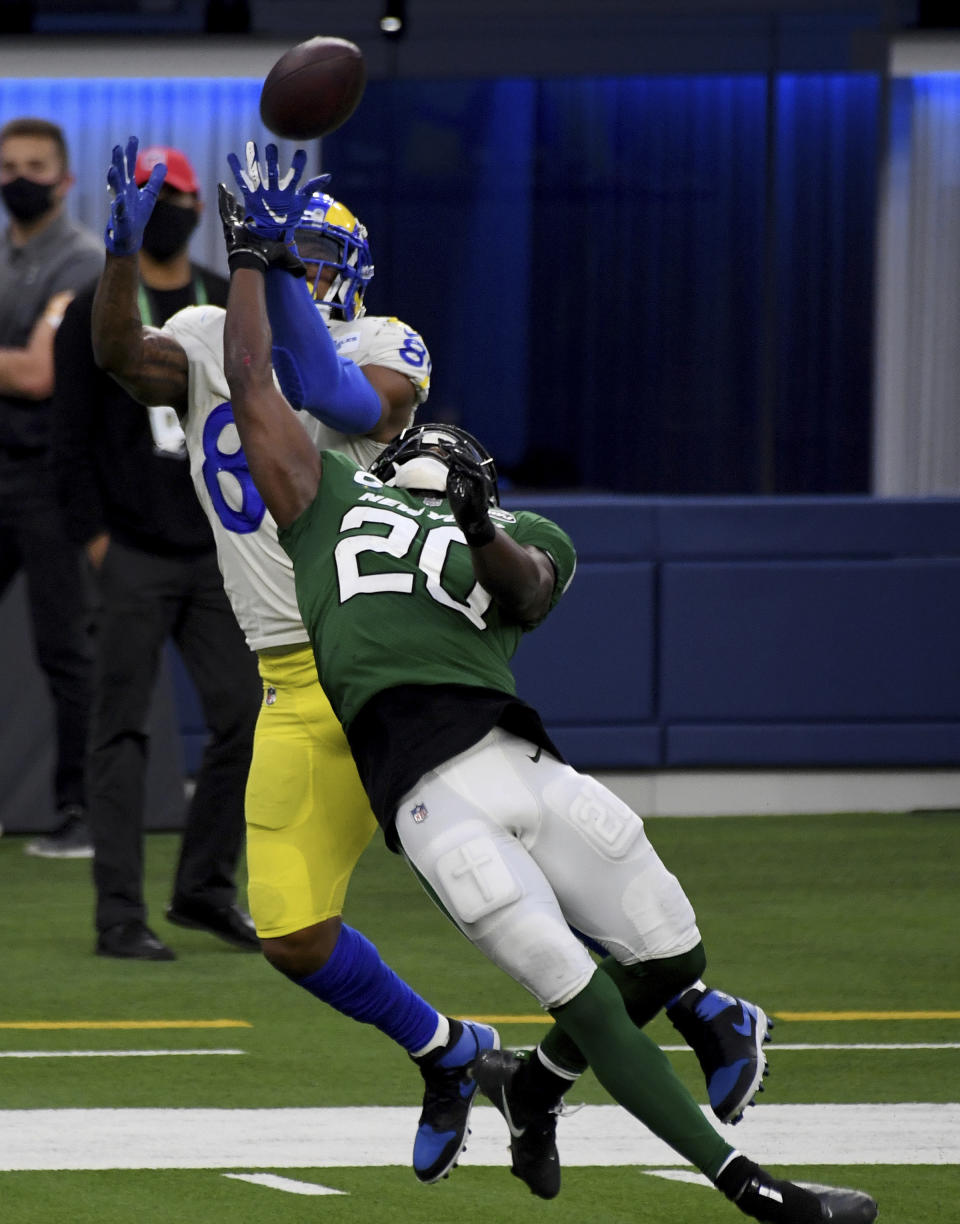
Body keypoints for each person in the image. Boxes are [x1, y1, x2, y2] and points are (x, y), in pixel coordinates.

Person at [215, 187, 879, 1224]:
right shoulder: (320, 502)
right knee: (578, 987)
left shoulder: (523, 527)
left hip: (525, 762)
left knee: (670, 952)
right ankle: (752, 1188)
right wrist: (251, 257)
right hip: (431, 791)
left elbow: (524, 589)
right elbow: (258, 376)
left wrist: (479, 520)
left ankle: (537, 1085)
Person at [88, 136, 495, 1185]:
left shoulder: (382, 341)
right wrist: (118, 256)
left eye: (312, 253)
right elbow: (120, 360)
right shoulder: (208, 329)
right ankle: (447, 1050)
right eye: (282, 249)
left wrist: (264, 268)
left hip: (384, 668)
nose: (297, 267)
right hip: (287, 680)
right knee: (292, 934)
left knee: (505, 879)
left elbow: (341, 399)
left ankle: (688, 1001)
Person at [52, 143, 262, 961]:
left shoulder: (219, 298)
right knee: (121, 731)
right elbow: (69, 439)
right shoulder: (94, 308)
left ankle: (205, 889)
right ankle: (118, 916)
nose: (167, 205)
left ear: (194, 204)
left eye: (175, 193)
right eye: (153, 194)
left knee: (245, 717)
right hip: (132, 549)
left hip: (216, 552)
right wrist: (97, 541)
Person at [0, 116, 104, 858]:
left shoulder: (84, 259)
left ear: (65, 179)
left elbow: (38, 376)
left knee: (64, 648)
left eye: (34, 165)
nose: (18, 178)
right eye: (7, 165)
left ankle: (81, 811)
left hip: (49, 478)